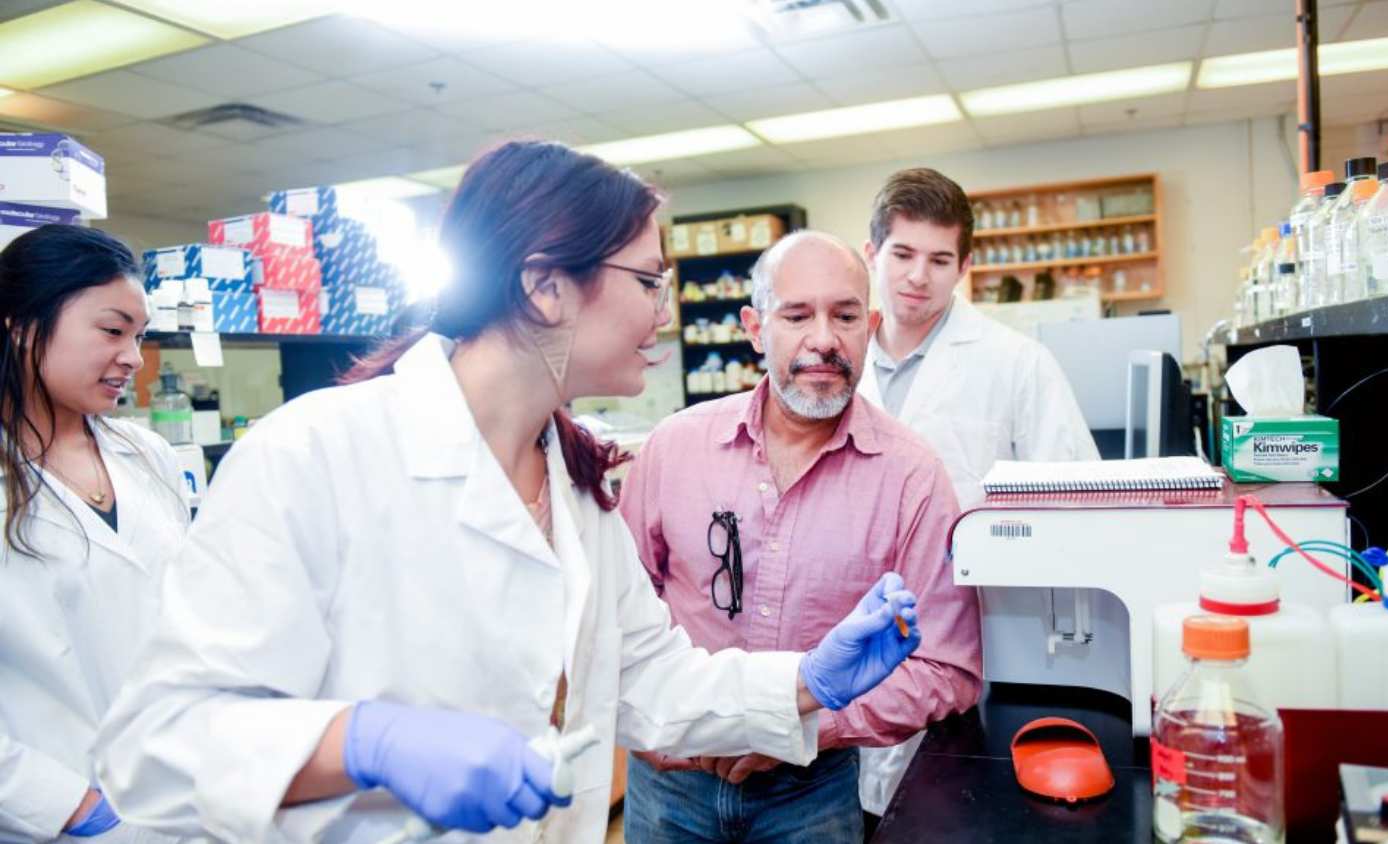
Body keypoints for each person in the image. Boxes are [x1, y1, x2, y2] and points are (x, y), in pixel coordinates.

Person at [95, 141, 922, 844]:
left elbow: (654, 683)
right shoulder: (317, 452)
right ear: (546, 286)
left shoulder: (576, 491)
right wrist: (368, 741)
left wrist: (809, 679)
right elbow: (156, 743)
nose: (661, 312)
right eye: (646, 281)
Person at [619, 230, 982, 844]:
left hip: (810, 790)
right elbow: (619, 615)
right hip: (669, 782)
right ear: (756, 328)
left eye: (844, 316)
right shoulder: (674, 448)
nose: (823, 339)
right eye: (796, 315)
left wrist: (807, 725)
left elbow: (947, 667)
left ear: (867, 327)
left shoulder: (911, 476)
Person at [856, 168, 1099, 821]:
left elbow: (1075, 497)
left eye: (940, 260)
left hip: (969, 639)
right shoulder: (836, 363)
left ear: (965, 264)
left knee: (945, 815)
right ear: (871, 253)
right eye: (902, 255)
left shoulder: (1016, 362)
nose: (918, 276)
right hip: (846, 636)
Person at [0, 225, 193, 844]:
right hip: (56, 816)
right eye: (113, 331)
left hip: (179, 796)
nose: (135, 357)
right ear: (22, 324)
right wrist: (71, 807)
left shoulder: (149, 454)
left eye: (140, 336)